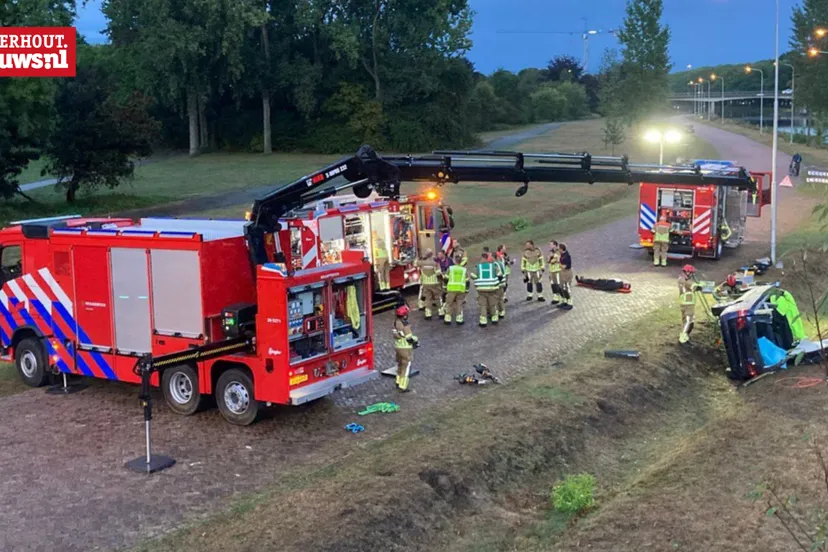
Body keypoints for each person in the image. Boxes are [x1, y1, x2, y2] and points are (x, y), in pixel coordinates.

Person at [471, 251, 504, 326]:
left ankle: (483, 320)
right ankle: (494, 318)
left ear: (483, 258)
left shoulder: (478, 267)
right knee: (492, 304)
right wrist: (496, 282)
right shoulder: (493, 266)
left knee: (483, 305)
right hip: (492, 289)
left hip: (481, 290)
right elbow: (500, 275)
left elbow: (473, 276)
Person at [392, 304, 419, 392]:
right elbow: (409, 338)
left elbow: (396, 335)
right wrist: (415, 340)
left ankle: (398, 381)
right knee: (406, 366)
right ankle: (403, 386)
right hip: (405, 348)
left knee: (399, 364)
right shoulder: (405, 325)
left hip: (398, 347)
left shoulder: (396, 323)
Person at [415, 249, 442, 320]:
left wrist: (421, 258)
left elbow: (415, 263)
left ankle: (428, 313)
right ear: (432, 255)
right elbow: (439, 273)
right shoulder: (435, 264)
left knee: (428, 298)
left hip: (426, 284)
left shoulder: (421, 263)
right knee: (437, 297)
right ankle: (441, 312)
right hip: (434, 283)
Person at [443, 253, 469, 325]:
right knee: (459, 304)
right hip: (461, 289)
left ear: (454, 261)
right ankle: (459, 318)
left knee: (449, 303)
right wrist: (467, 290)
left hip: (451, 289)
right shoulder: (464, 270)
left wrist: (445, 288)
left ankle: (448, 318)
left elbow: (445, 278)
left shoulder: (450, 268)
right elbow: (467, 281)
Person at [678, 264, 699, 344]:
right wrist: (702, 286)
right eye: (691, 273)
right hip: (687, 303)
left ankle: (685, 336)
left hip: (685, 303)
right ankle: (683, 338)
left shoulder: (682, 279)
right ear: (687, 272)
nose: (692, 274)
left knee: (688, 320)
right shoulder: (684, 280)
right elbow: (693, 286)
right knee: (688, 320)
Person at [558, 243, 573, 310]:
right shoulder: (562, 255)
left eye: (559, 249)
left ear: (561, 249)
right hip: (562, 272)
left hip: (567, 273)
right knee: (561, 287)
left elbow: (564, 266)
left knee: (567, 287)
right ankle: (564, 301)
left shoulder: (567, 256)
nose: (558, 250)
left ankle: (570, 303)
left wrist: (558, 264)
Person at [547, 240, 562, 304]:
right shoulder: (551, 252)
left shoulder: (558, 252)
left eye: (551, 244)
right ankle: (555, 297)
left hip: (557, 270)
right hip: (551, 271)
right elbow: (548, 260)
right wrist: (550, 258)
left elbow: (555, 260)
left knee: (558, 285)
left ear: (555, 245)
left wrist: (551, 258)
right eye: (550, 245)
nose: (550, 246)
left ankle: (563, 298)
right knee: (553, 284)